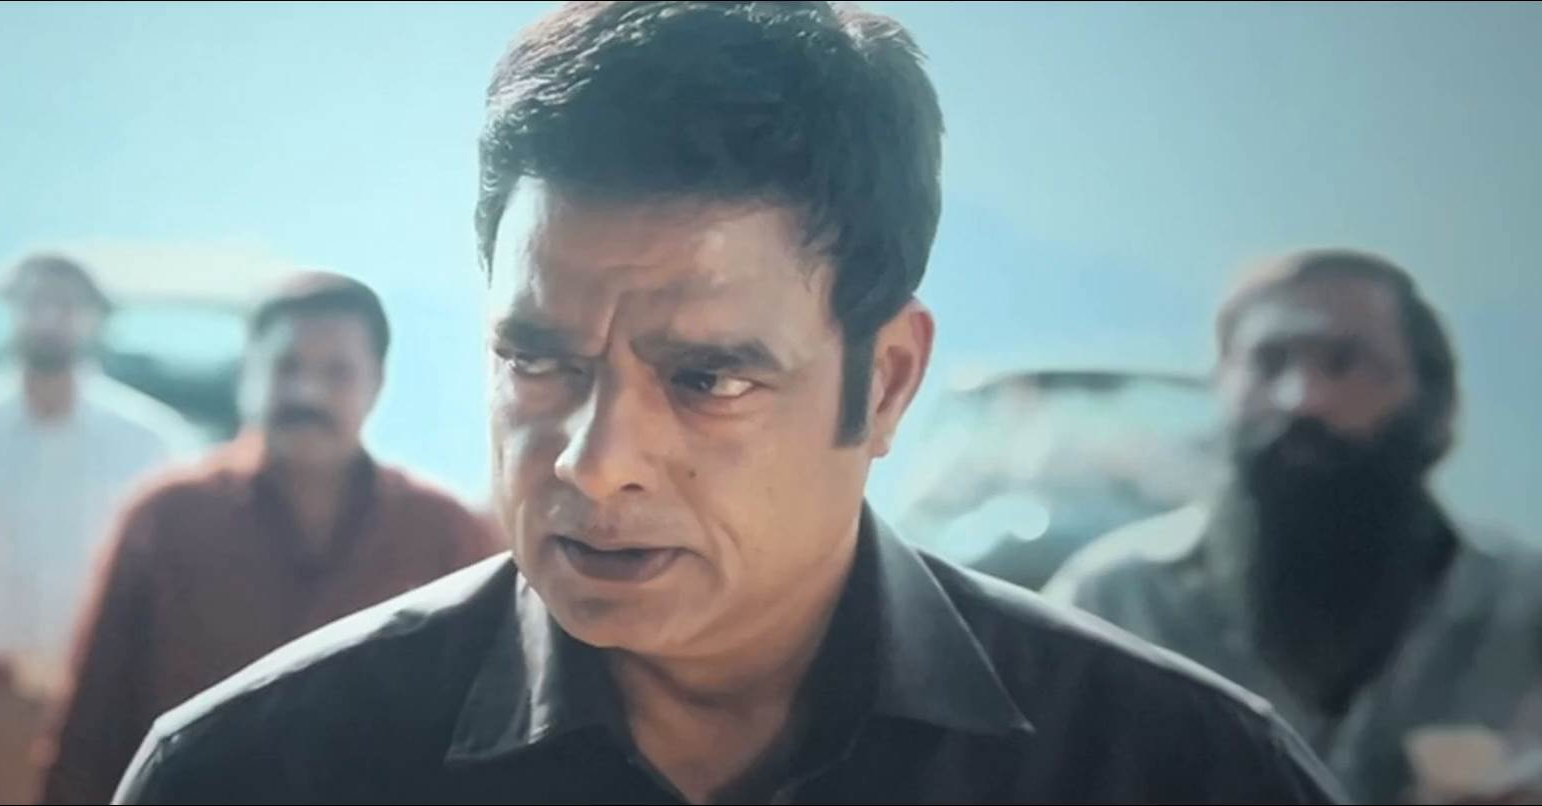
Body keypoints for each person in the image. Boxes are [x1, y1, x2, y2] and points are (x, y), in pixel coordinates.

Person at [114, 3, 1342, 803]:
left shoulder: (1174, 770)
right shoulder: (257, 771)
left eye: (707, 379)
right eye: (539, 361)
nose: (595, 463)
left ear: (887, 381)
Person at [1047, 249, 1542, 803]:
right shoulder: (1113, 602)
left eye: (1345, 363)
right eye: (1269, 362)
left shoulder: (1523, 609)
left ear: (1434, 400)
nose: (1302, 400)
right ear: (1223, 386)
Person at [40, 272, 501, 804]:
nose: (307, 392)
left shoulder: (441, 531)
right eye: (287, 367)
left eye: (336, 372)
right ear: (248, 374)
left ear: (375, 384)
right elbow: (92, 726)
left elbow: (491, 720)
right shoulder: (166, 520)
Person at [0, 253, 198, 803]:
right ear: (10, 312)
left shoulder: (151, 441)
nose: (50, 318)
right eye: (34, 302)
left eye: (67, 304)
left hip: (98, 702)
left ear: (97, 317)